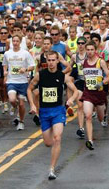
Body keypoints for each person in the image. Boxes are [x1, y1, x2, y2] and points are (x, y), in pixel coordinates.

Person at [27, 50, 78, 180]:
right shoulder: (40, 75)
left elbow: (76, 91)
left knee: (57, 138)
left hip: (58, 111)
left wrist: (71, 99)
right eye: (48, 60)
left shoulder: (62, 76)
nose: (50, 63)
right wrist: (32, 104)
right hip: (44, 112)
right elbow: (29, 89)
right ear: (46, 61)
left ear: (57, 61)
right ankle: (51, 162)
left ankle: (51, 169)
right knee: (48, 143)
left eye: (53, 60)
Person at [82, 41, 109, 150]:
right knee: (88, 116)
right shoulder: (83, 63)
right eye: (88, 50)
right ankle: (90, 140)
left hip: (99, 94)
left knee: (100, 118)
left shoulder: (101, 62)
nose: (89, 52)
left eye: (91, 50)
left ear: (95, 51)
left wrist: (100, 83)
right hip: (88, 93)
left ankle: (103, 117)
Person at [2, 35, 34, 130]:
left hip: (22, 82)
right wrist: (5, 73)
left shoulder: (25, 53)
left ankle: (21, 121)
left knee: (21, 104)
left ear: (20, 42)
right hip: (11, 81)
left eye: (17, 41)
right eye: (14, 41)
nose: (15, 43)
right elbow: (4, 65)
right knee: (12, 99)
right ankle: (14, 107)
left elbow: (32, 66)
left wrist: (26, 69)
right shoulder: (7, 53)